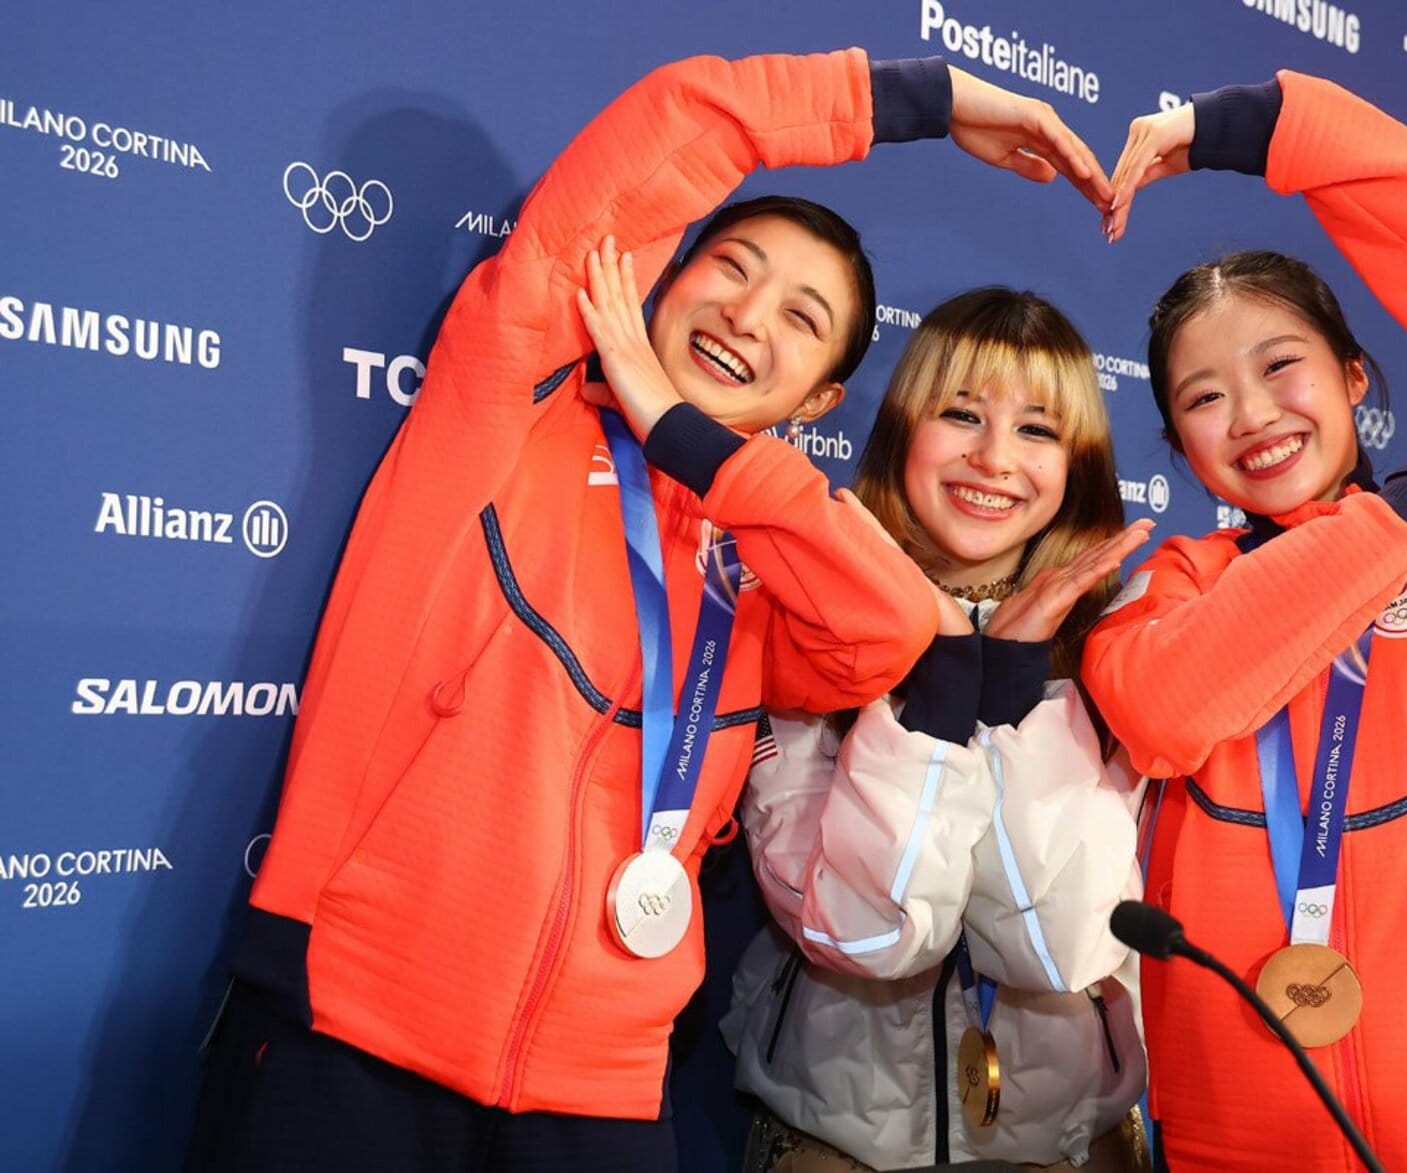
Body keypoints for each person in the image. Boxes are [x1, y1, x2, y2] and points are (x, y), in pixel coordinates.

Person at [186, 48, 1115, 1171]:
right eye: (728, 268)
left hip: (604, 1094)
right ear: (653, 286)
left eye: (799, 316)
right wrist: (919, 100)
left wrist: (689, 439)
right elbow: (675, 126)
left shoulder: (764, 562)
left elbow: (885, 628)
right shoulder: (505, 414)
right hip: (349, 1035)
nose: (745, 314)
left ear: (816, 399)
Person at [1085, 71, 1407, 1169]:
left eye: (1278, 366)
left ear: (1352, 376)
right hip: (1229, 1125)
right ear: (1175, 439)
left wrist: (1239, 128)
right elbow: (1165, 709)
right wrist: (1373, 531)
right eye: (1201, 397)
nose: (1250, 416)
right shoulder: (1173, 584)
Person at [722, 288, 1156, 1172]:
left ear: (1078, 462)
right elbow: (859, 931)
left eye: (1037, 429)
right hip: (833, 1145)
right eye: (961, 414)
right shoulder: (801, 612)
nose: (995, 458)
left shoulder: (1127, 639)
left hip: (1073, 1148)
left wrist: (1017, 683)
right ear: (903, 430)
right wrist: (940, 688)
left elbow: (1066, 942)